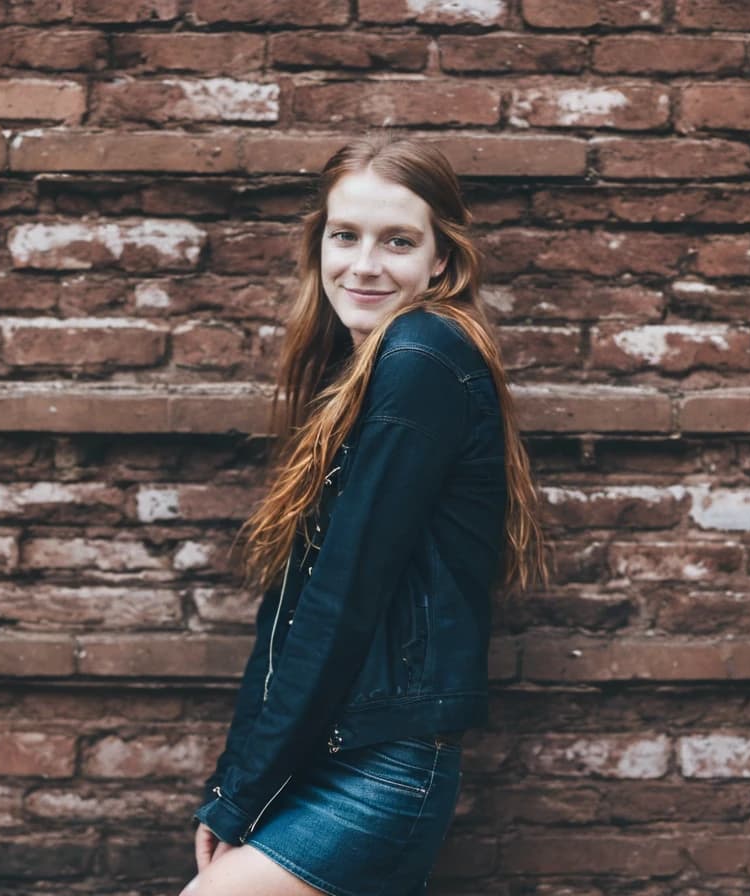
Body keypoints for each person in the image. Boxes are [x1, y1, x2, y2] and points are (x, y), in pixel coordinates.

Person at [183, 135, 547, 896]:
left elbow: (344, 597)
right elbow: (288, 609)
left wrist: (243, 790)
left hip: (380, 770)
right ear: (319, 243)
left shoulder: (420, 358)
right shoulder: (364, 370)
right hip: (341, 753)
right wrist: (235, 780)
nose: (365, 264)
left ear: (441, 260)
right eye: (345, 236)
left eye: (399, 242)